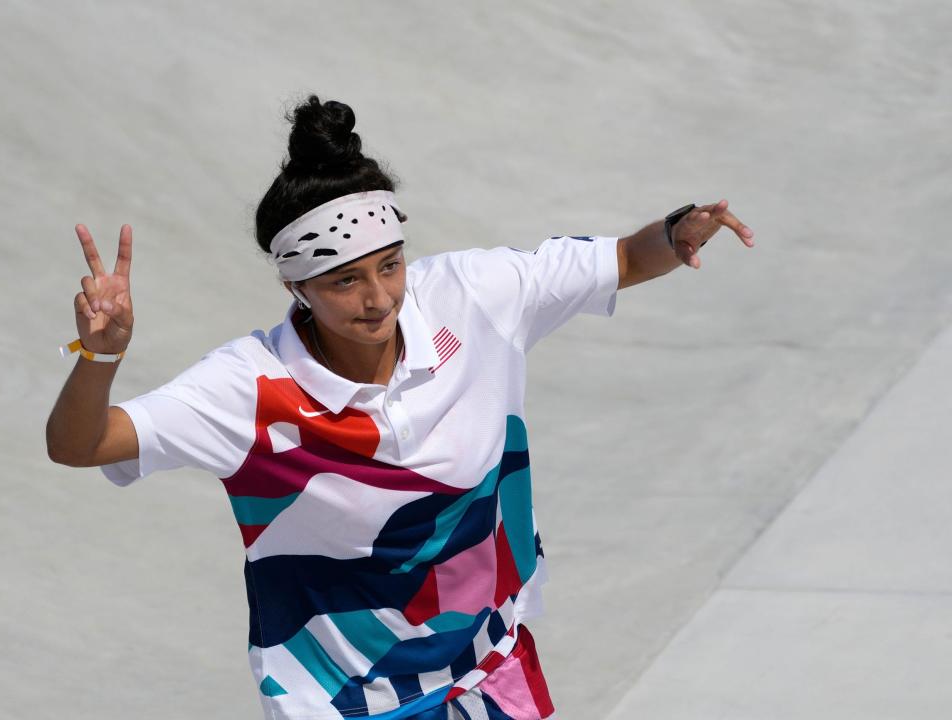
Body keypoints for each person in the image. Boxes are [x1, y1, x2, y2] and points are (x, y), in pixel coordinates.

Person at [46, 94, 754, 720]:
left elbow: (623, 260)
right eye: (346, 281)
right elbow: (82, 444)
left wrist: (676, 233)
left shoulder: (473, 297)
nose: (379, 297)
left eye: (390, 265)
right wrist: (100, 356)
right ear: (298, 288)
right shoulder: (248, 389)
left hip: (486, 670)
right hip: (339, 703)